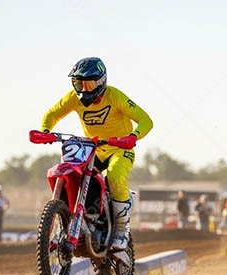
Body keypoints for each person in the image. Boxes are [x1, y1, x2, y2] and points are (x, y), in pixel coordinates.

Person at [34, 57, 153, 251]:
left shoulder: (115, 96)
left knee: (115, 176)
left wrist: (133, 136)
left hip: (119, 149)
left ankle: (121, 230)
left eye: (88, 83)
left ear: (101, 81)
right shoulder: (73, 98)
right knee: (74, 172)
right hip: (93, 148)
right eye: (78, 83)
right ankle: (75, 217)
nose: (83, 89)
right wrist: (46, 131)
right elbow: (52, 114)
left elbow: (145, 120)